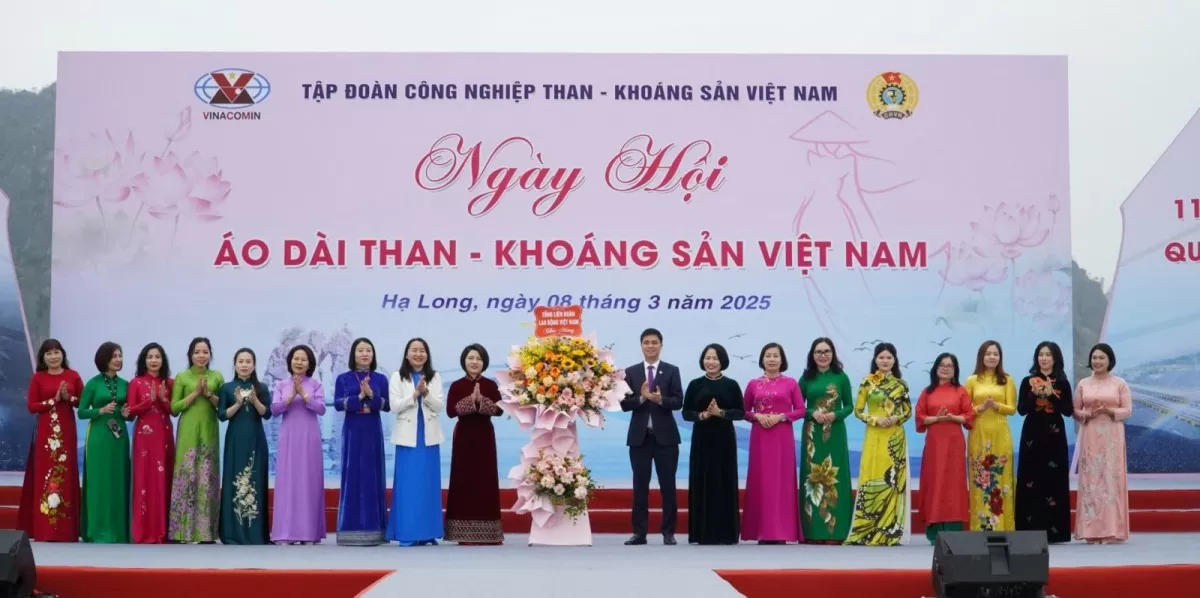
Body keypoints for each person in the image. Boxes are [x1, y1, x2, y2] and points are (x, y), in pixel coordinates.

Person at [620, 328, 684, 546]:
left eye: (654, 342)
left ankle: (668, 532)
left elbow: (678, 401)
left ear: (661, 345)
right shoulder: (631, 372)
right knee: (640, 487)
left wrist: (659, 399)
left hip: (666, 439)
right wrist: (641, 398)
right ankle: (639, 533)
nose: (650, 346)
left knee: (668, 487)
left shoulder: (672, 371)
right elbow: (623, 404)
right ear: (641, 346)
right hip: (640, 439)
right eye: (646, 342)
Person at [18, 339, 84, 542]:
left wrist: (69, 398)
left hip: (67, 431)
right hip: (46, 433)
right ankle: (45, 530)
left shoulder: (73, 376)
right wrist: (53, 400)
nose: (54, 356)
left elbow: (81, 402)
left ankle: (66, 530)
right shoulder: (38, 378)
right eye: (49, 353)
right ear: (43, 358)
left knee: (66, 474)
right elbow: (32, 406)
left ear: (62, 354)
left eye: (57, 352)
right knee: (46, 475)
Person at [846, 342, 912, 546]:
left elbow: (908, 411)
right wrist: (875, 420)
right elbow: (858, 411)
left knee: (893, 482)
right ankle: (866, 530)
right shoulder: (867, 382)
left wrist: (896, 419)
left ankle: (890, 530)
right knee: (872, 476)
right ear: (875, 360)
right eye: (881, 357)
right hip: (874, 435)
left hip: (894, 437)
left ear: (894, 360)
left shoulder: (901, 384)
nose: (885, 361)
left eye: (889, 357)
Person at [741, 342, 805, 544]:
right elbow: (743, 411)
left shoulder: (791, 383)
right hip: (760, 436)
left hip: (782, 435)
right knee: (761, 480)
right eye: (768, 355)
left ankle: (781, 532)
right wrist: (757, 416)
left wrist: (781, 417)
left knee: (781, 482)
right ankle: (761, 531)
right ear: (762, 359)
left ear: (782, 360)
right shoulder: (753, 384)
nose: (771, 359)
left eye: (775, 356)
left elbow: (801, 410)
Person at [681, 343, 743, 545]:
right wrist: (704, 415)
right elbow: (686, 413)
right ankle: (702, 533)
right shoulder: (695, 384)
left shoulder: (731, 384)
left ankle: (726, 533)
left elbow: (740, 412)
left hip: (724, 439)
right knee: (703, 481)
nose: (711, 362)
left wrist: (721, 413)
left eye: (715, 358)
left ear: (722, 361)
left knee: (724, 481)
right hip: (702, 439)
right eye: (708, 358)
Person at [386, 337, 445, 546]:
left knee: (428, 486)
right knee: (408, 486)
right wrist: (414, 394)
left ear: (427, 355)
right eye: (414, 350)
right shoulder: (397, 377)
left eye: (422, 350)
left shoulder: (434, 377)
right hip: (407, 437)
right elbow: (394, 406)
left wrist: (426, 393)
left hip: (428, 437)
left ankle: (427, 532)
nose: (418, 354)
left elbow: (439, 406)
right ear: (407, 354)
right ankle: (408, 533)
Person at [444, 343, 505, 545]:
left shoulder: (491, 385)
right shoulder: (456, 385)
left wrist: (481, 402)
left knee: (485, 481)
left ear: (484, 362)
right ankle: (462, 533)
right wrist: (471, 401)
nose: (474, 362)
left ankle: (489, 534)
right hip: (464, 438)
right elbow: (451, 411)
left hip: (484, 437)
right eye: (470, 358)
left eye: (478, 358)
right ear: (464, 361)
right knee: (464, 481)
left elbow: (500, 410)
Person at [332, 337, 390, 546]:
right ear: (353, 354)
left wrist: (372, 395)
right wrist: (358, 396)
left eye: (368, 350)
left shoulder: (381, 379)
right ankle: (350, 528)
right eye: (360, 350)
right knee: (353, 474)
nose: (365, 354)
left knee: (373, 475)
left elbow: (387, 406)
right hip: (353, 431)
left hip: (372, 431)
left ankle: (375, 530)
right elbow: (338, 404)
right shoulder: (343, 379)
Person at [1015, 341, 1074, 543]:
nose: (1044, 358)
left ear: (1055, 358)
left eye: (1048, 354)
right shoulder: (1027, 381)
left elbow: (1068, 411)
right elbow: (1021, 410)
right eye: (1041, 354)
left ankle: (1055, 532)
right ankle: (1029, 529)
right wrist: (1034, 394)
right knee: (1030, 479)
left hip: (1054, 436)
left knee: (1053, 479)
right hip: (1032, 435)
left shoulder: (1063, 383)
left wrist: (1051, 394)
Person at [798, 337, 854, 544]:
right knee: (812, 478)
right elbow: (797, 407)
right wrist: (812, 413)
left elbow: (850, 406)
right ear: (812, 355)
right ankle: (813, 532)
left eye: (827, 351)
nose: (823, 355)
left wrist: (835, 415)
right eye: (819, 352)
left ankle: (836, 532)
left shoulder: (841, 377)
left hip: (836, 433)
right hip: (812, 434)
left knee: (835, 478)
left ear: (833, 354)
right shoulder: (806, 379)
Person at [1073, 343, 1131, 544]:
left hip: (1112, 435)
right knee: (1091, 479)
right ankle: (1091, 531)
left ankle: (1113, 530)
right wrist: (1088, 414)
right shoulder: (1083, 384)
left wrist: (1110, 411)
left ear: (1109, 360)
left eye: (1101, 358)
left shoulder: (1119, 383)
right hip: (1090, 433)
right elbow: (1076, 411)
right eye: (1094, 358)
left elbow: (1128, 410)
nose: (1097, 361)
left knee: (1111, 479)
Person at [168, 337, 224, 543]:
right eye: (197, 352)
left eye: (205, 352)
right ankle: (181, 532)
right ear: (190, 355)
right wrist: (194, 394)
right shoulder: (182, 377)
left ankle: (205, 532)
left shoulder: (217, 376)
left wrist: (209, 394)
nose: (201, 356)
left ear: (210, 354)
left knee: (206, 476)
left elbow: (223, 407)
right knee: (187, 474)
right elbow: (174, 409)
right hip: (188, 431)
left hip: (209, 429)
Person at [271, 345, 327, 544]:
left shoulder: (316, 384)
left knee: (308, 480)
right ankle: (285, 532)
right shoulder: (281, 385)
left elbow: (321, 409)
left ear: (310, 363)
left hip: (309, 436)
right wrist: (289, 396)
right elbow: (275, 409)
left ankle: (308, 533)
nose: (299, 362)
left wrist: (304, 393)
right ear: (290, 361)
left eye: (304, 359)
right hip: (289, 436)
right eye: (296, 358)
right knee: (288, 481)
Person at [914, 353, 973, 544]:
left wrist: (952, 417)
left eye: (950, 365)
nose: (945, 368)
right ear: (936, 368)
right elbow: (920, 419)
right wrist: (938, 419)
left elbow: (968, 417)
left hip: (954, 442)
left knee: (953, 484)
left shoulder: (961, 391)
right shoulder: (927, 392)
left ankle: (954, 529)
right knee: (935, 481)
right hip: (934, 443)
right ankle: (935, 530)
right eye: (942, 364)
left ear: (955, 370)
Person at [78, 342, 131, 543]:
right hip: (99, 436)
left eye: (120, 355)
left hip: (119, 437)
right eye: (114, 356)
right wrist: (99, 410)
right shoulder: (92, 384)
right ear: (104, 359)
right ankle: (97, 530)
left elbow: (130, 413)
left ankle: (119, 531)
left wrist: (127, 414)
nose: (118, 359)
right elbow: (82, 412)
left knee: (118, 480)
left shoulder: (127, 384)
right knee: (99, 481)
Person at [218, 348, 272, 545]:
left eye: (248, 361)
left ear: (254, 365)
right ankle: (233, 533)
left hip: (256, 439)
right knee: (235, 480)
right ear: (235, 364)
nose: (244, 365)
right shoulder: (227, 387)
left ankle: (255, 534)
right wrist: (238, 403)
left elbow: (267, 414)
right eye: (240, 361)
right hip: (235, 439)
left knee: (255, 481)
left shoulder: (262, 387)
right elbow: (222, 415)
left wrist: (256, 400)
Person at [965, 340, 1017, 532]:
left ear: (1000, 358)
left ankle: (1002, 526)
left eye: (995, 354)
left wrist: (996, 406)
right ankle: (981, 526)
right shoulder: (972, 380)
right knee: (980, 479)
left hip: (1000, 433)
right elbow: (965, 409)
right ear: (981, 356)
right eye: (988, 353)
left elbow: (1012, 409)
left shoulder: (1007, 380)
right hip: (978, 433)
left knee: (999, 479)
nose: (992, 357)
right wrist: (980, 408)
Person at [127, 343, 175, 544]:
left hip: (163, 436)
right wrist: (148, 402)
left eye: (157, 357)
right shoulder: (136, 383)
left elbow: (174, 410)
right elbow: (130, 412)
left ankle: (163, 531)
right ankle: (143, 531)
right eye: (150, 357)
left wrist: (163, 400)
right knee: (144, 480)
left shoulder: (169, 383)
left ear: (163, 361)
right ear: (143, 360)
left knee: (163, 481)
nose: (154, 360)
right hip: (144, 438)